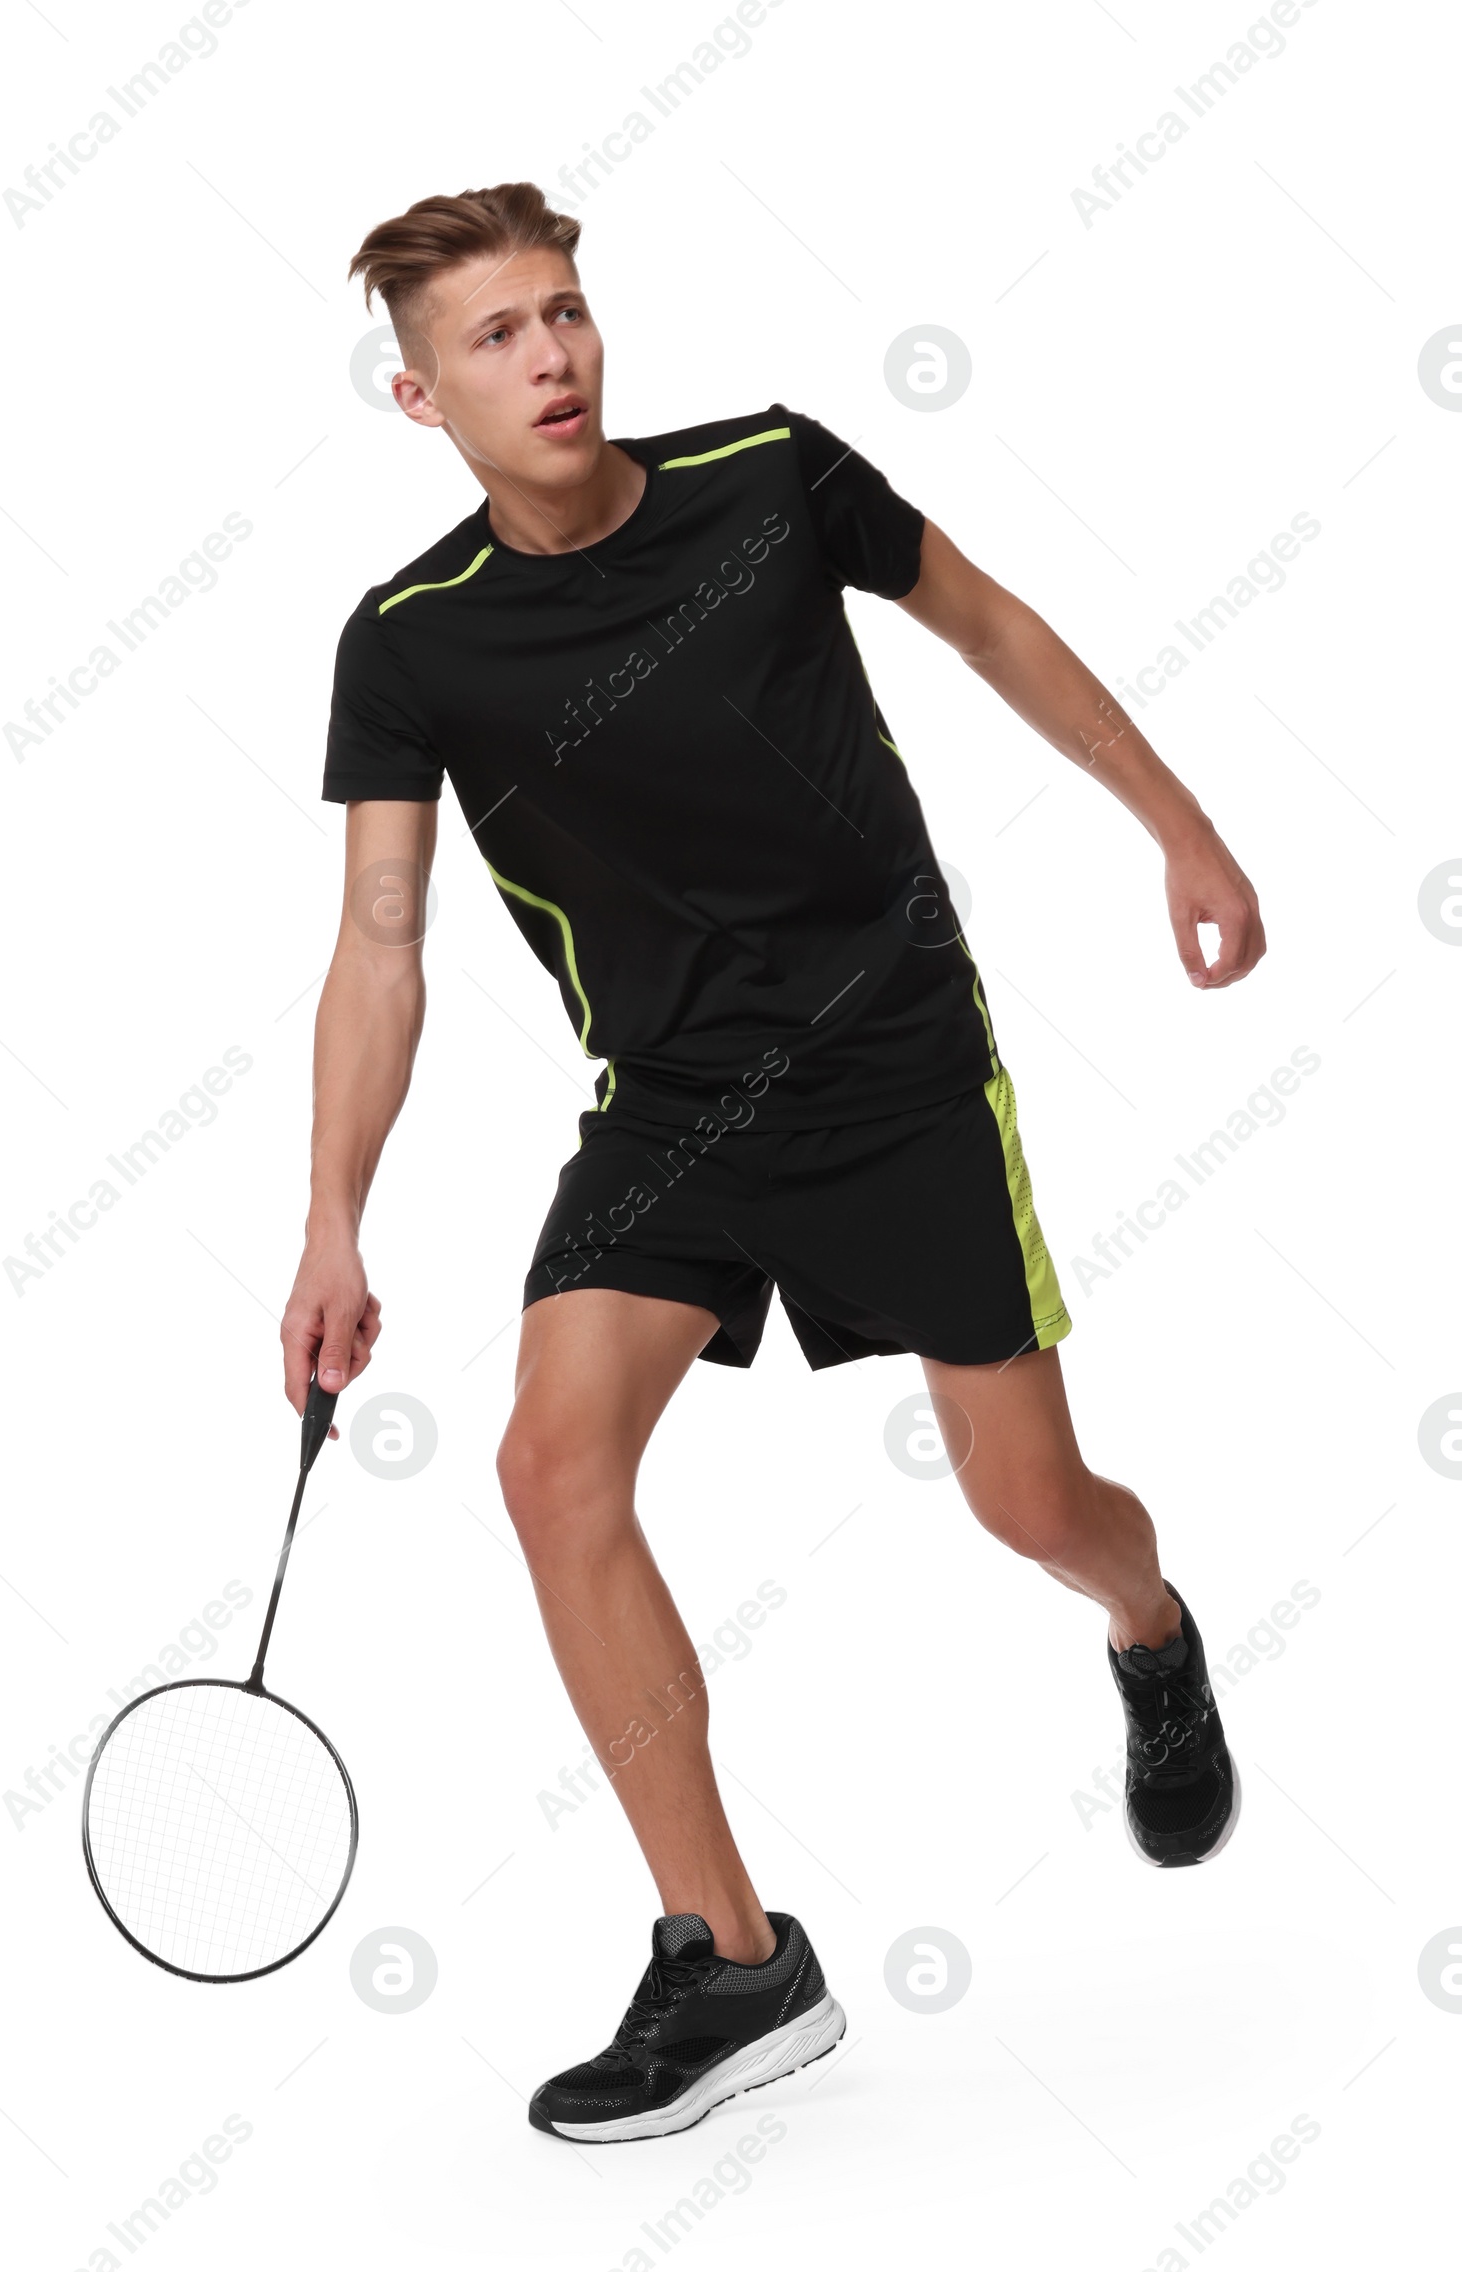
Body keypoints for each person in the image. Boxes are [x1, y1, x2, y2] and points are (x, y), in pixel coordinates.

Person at [283, 180, 1265, 2145]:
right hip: (669, 1100)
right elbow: (378, 942)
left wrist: (1179, 826)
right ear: (418, 395)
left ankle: (1148, 1632)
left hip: (896, 1069)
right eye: (494, 337)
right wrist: (329, 1217)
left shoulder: (763, 475)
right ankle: (731, 1961)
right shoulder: (409, 642)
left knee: (1025, 1504)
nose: (549, 354)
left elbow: (984, 620)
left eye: (560, 311)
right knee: (548, 1465)